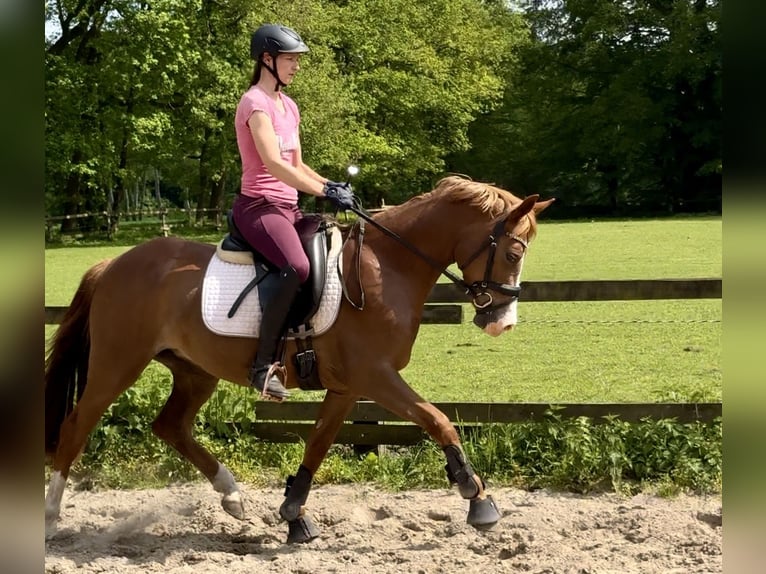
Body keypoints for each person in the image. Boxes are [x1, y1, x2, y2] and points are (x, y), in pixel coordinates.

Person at [232, 23, 355, 400]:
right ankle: (262, 366)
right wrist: (322, 191)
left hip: (289, 207)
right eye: (290, 59)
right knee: (296, 267)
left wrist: (331, 184)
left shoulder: (289, 106)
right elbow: (273, 164)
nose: (296, 66)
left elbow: (297, 166)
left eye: (297, 60)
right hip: (258, 207)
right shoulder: (255, 103)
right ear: (267, 60)